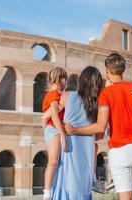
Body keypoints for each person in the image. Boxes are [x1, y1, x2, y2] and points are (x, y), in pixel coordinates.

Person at [65, 53, 132, 200]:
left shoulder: (106, 93)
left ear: (107, 70)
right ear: (123, 70)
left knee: (125, 197)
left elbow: (100, 127)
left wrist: (74, 130)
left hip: (120, 150)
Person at [51, 66, 103, 199]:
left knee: (67, 187)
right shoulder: (97, 106)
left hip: (68, 150)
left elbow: (54, 119)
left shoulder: (67, 96)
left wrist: (70, 131)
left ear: (81, 80)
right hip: (86, 154)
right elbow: (100, 134)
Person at [42, 67, 68, 200]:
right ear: (58, 80)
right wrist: (63, 134)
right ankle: (46, 194)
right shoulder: (53, 94)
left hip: (55, 128)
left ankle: (52, 189)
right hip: (54, 129)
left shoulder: (59, 95)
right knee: (53, 160)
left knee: (56, 161)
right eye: (64, 79)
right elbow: (54, 116)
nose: (65, 82)